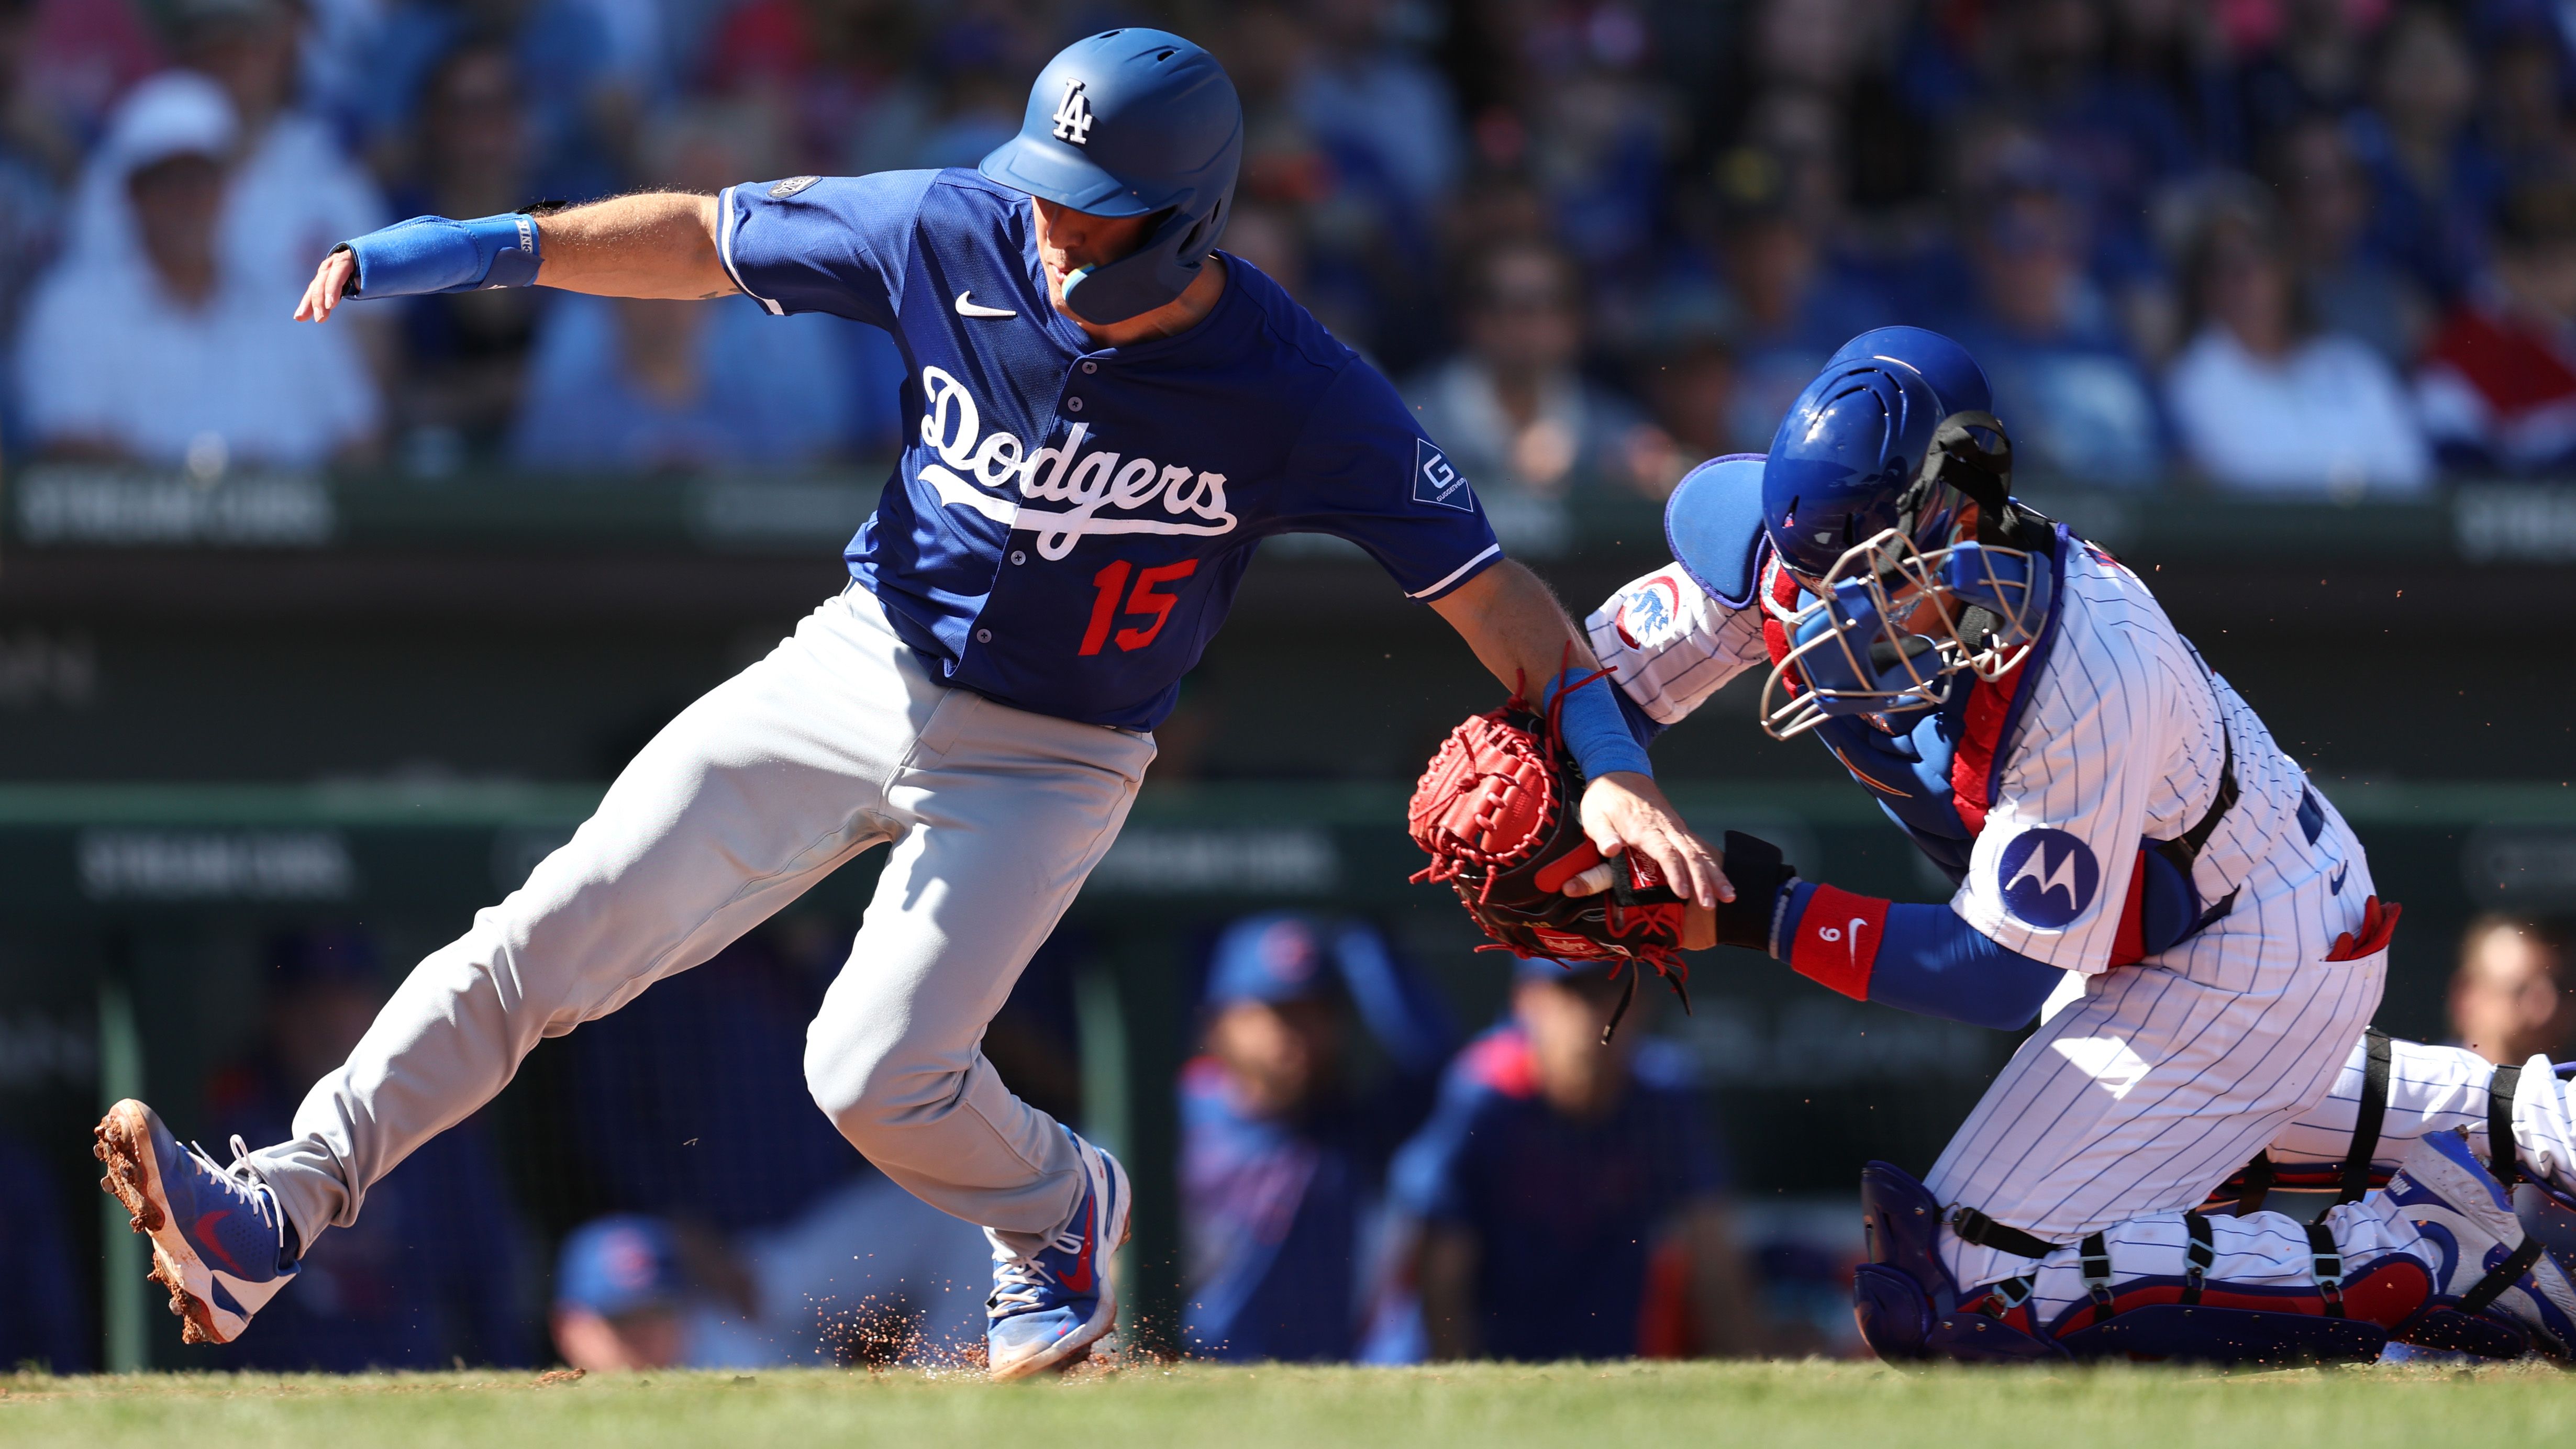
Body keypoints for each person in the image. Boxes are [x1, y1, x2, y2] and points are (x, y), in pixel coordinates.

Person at [94, 28, 1726, 1384]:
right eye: (1048, 195)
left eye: (1093, 213)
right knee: (548, 929)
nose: (1049, 230)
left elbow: (1494, 596)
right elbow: (706, 233)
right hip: (860, 654)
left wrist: (1598, 758)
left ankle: (1056, 1206)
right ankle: (278, 1209)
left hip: (1055, 749)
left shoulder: (1294, 384)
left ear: (1187, 221)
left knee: (866, 1068)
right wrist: (485, 245)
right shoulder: (951, 226)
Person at [1575, 325, 2576, 1363]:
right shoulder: (1783, 559)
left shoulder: (2083, 660)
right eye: (1815, 574)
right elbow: (1593, 690)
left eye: (1872, 575)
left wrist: (1764, 914)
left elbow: (1999, 974)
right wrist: (1585, 783)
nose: (1835, 613)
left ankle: (2435, 1257)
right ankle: (2547, 1129)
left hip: (2239, 940)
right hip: (2153, 943)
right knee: (2204, 1137)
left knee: (1971, 1289)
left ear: (1960, 508)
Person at [1394, 957, 1759, 1361]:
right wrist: (1459, 1386)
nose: (1592, 1015)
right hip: (1492, 1361)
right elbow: (1442, 1271)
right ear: (1526, 1002)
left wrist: (1752, 1371)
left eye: (1610, 993)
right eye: (1572, 993)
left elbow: (1713, 1251)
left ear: (1640, 1004)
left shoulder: (1666, 1095)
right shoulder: (1485, 1095)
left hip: (1610, 1361)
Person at [15, 70, 381, 471]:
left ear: (228, 190)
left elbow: (360, 440)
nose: (187, 200)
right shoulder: (71, 309)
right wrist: (217, 496)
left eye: (201, 180)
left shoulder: (291, 307)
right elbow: (66, 445)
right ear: (133, 195)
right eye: (167, 182)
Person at [198, 928, 528, 1372]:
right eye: (310, 1000)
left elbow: (486, 1273)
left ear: (378, 1008)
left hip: (416, 1365)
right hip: (281, 1377)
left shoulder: (434, 1110)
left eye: (346, 995)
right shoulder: (240, 1110)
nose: (329, 1019)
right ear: (276, 1012)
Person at [1178, 912, 1452, 1362]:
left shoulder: (1347, 1127)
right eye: (1280, 1014)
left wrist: (1365, 935)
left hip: (1323, 1385)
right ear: (1221, 1022)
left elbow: (1433, 1066)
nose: (1299, 1036)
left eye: (1317, 1011)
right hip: (1200, 1374)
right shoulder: (1172, 1119)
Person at [2161, 182, 2430, 495]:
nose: (2245, 275)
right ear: (2200, 283)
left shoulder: (2354, 366)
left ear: (2286, 267)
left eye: (2259, 254)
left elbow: (2412, 481)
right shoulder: (2194, 381)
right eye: (2223, 263)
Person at [2415, 179, 2576, 473]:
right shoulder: (2460, 357)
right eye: (2561, 261)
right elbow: (2462, 485)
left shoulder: (2558, 333)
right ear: (2511, 264)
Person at [2450, 918, 2572, 1070]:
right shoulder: (2424, 1086)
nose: (2548, 1011)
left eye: (2561, 989)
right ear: (2467, 997)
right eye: (2520, 990)